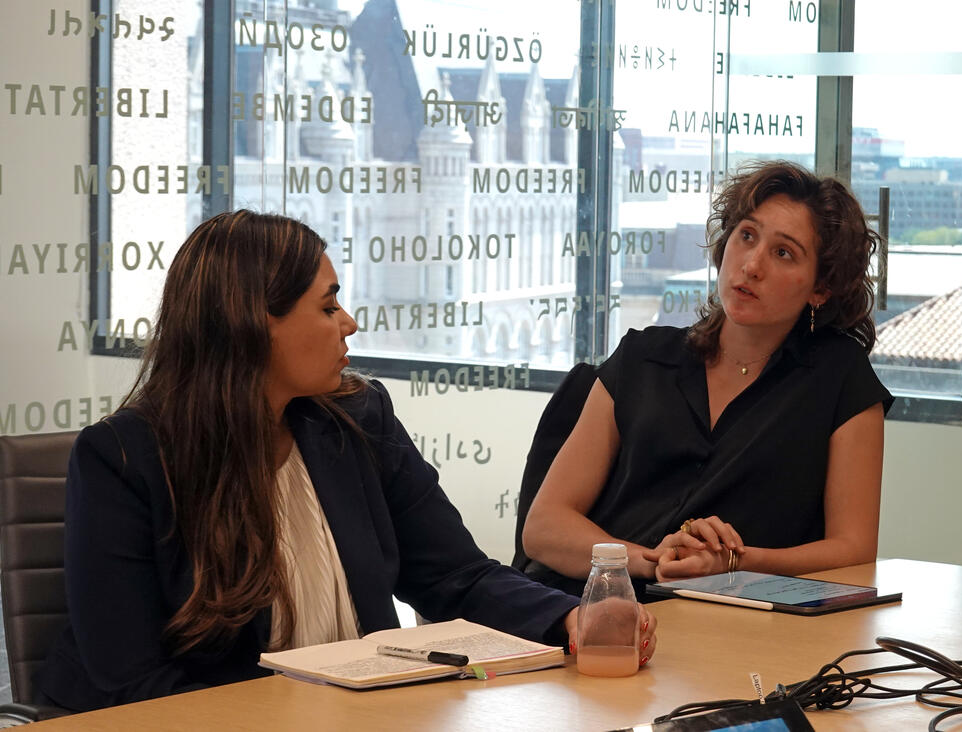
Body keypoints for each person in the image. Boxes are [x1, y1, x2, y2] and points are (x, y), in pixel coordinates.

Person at [38, 211, 657, 712]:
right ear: (256, 324)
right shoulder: (123, 459)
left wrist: (572, 618)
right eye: (328, 305)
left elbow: (454, 577)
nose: (350, 323)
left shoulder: (356, 419)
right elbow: (133, 685)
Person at [521, 161, 893, 598]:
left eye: (783, 252)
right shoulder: (642, 358)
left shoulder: (840, 380)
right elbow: (543, 528)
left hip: (733, 621)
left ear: (820, 289)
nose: (752, 266)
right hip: (587, 605)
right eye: (747, 235)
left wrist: (733, 563)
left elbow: (854, 549)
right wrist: (651, 562)